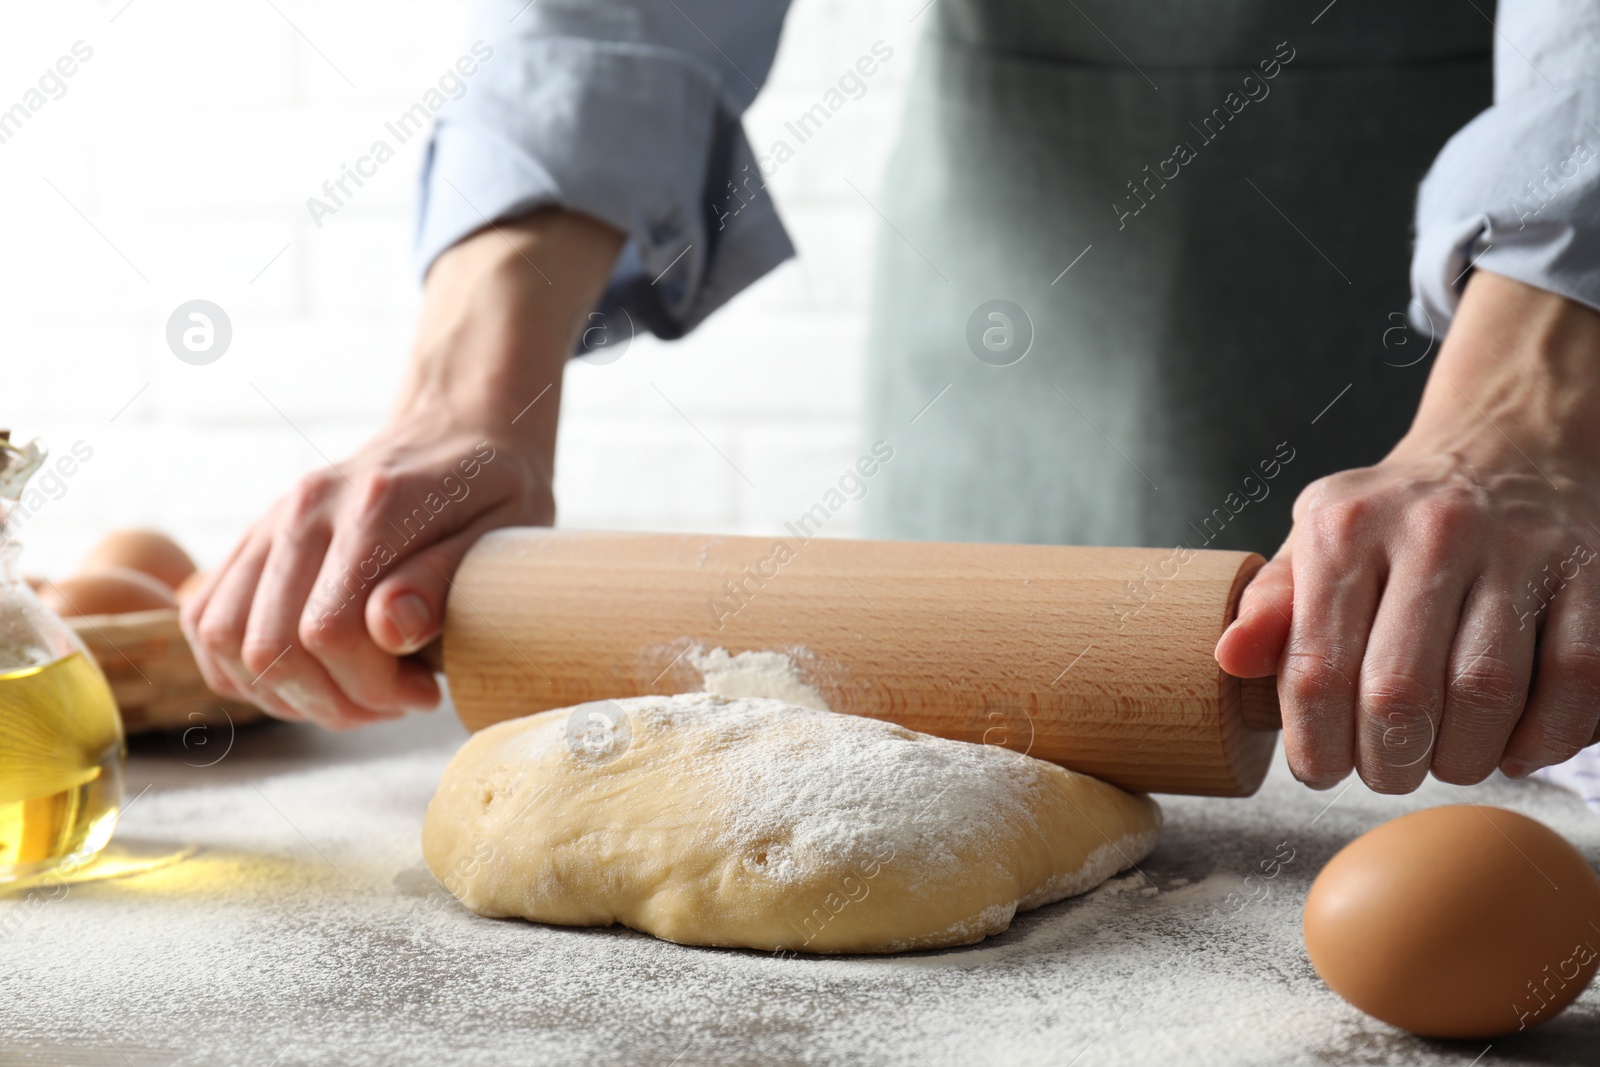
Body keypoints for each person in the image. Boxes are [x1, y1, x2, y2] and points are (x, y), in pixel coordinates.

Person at [181, 0, 1600, 797]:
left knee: (1487, 773)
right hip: (1026, 270)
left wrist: (1529, 410)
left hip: (1554, 293)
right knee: (931, 788)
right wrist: (462, 395)